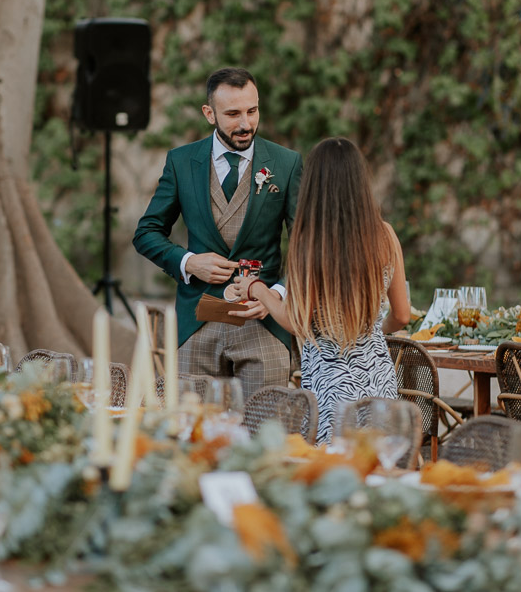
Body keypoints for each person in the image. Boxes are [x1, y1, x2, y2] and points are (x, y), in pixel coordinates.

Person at [133, 67, 303, 397]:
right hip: (198, 321)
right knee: (190, 433)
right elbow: (146, 232)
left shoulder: (286, 164)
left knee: (264, 431)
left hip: (262, 322)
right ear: (209, 113)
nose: (245, 124)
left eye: (252, 111)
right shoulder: (181, 162)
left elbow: (304, 246)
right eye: (233, 114)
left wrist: (278, 296)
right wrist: (188, 262)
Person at [229, 137, 409, 444]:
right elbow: (403, 315)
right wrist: (374, 330)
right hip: (379, 380)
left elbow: (296, 322)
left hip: (330, 387)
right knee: (378, 467)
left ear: (314, 185)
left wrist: (256, 288)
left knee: (333, 472)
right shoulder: (385, 235)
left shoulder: (309, 244)